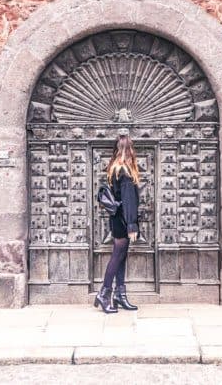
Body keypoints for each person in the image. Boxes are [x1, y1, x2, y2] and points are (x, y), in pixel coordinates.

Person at [94, 134, 140, 314]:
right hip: (123, 219)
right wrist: (132, 225)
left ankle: (120, 294)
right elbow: (128, 201)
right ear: (128, 149)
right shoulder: (125, 172)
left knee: (120, 256)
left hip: (117, 219)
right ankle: (104, 294)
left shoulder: (114, 168)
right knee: (117, 256)